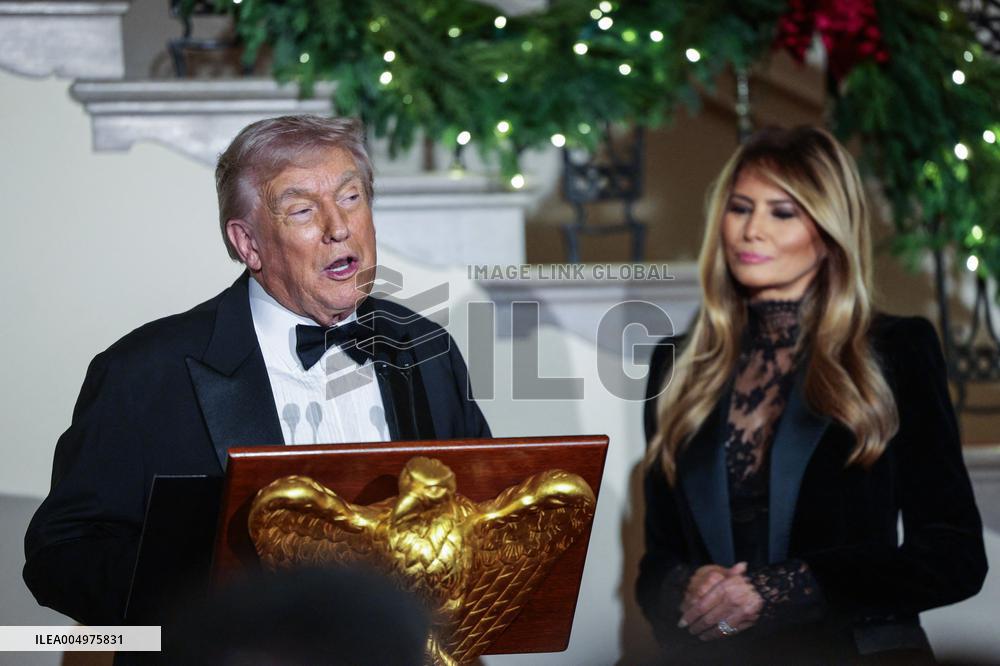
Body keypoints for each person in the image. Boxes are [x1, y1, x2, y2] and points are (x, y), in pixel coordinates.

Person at [23, 115, 491, 628]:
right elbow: (61, 554)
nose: (339, 227)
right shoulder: (144, 373)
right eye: (302, 210)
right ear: (248, 244)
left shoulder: (427, 349)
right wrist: (212, 598)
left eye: (351, 197)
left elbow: (479, 516)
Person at [637, 126, 987, 664]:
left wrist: (787, 588)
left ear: (826, 233)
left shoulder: (894, 350)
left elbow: (954, 555)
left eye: (782, 213)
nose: (751, 230)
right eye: (740, 208)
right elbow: (655, 564)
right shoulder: (677, 365)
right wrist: (686, 588)